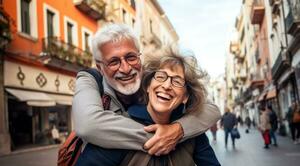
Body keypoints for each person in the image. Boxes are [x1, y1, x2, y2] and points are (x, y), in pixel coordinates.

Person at [60, 47, 225, 166]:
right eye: (161, 76)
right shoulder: (118, 127)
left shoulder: (191, 132)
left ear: (185, 97)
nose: (166, 85)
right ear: (147, 85)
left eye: (177, 81)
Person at [72, 23, 221, 156]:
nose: (125, 69)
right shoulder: (89, 79)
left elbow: (212, 110)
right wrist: (161, 138)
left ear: (139, 57)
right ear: (100, 67)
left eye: (131, 57)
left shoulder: (152, 78)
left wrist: (178, 129)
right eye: (114, 61)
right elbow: (87, 125)